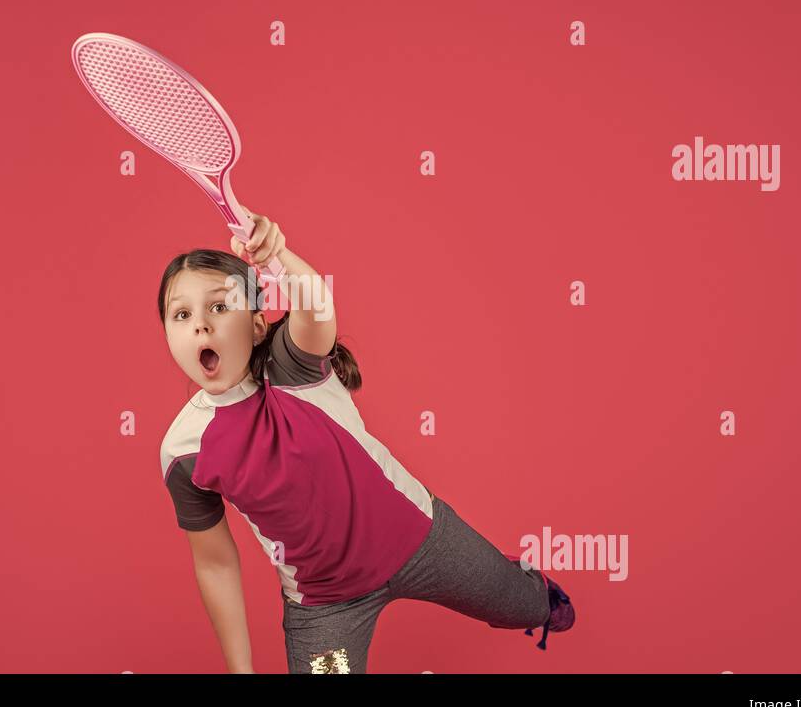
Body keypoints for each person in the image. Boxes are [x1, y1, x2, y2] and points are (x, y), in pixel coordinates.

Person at [156, 206, 574, 673]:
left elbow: (315, 303)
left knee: (528, 607)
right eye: (181, 314)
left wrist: (276, 255)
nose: (201, 325)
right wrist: (240, 669)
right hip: (326, 607)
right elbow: (215, 563)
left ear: (257, 324)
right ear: (170, 337)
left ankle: (523, 585)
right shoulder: (183, 450)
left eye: (219, 305)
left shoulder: (291, 367)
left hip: (423, 542)